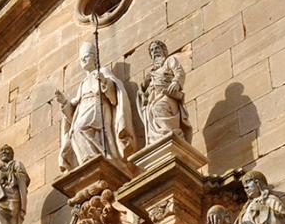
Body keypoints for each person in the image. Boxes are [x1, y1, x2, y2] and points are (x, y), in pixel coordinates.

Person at [55, 42, 136, 171]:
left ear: (95, 57)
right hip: (84, 109)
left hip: (98, 106)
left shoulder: (102, 71)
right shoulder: (83, 83)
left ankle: (99, 155)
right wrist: (64, 102)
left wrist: (104, 81)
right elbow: (75, 106)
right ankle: (89, 157)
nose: (83, 60)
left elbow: (114, 96)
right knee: (75, 130)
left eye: (86, 56)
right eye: (81, 58)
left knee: (80, 128)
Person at [137, 40, 193, 145]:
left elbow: (179, 72)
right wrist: (144, 87)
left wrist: (176, 82)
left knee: (159, 108)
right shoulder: (152, 72)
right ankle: (160, 139)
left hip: (167, 94)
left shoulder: (169, 61)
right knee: (152, 111)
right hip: (154, 98)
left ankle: (169, 136)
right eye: (152, 50)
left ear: (164, 51)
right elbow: (144, 90)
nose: (154, 52)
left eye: (157, 48)